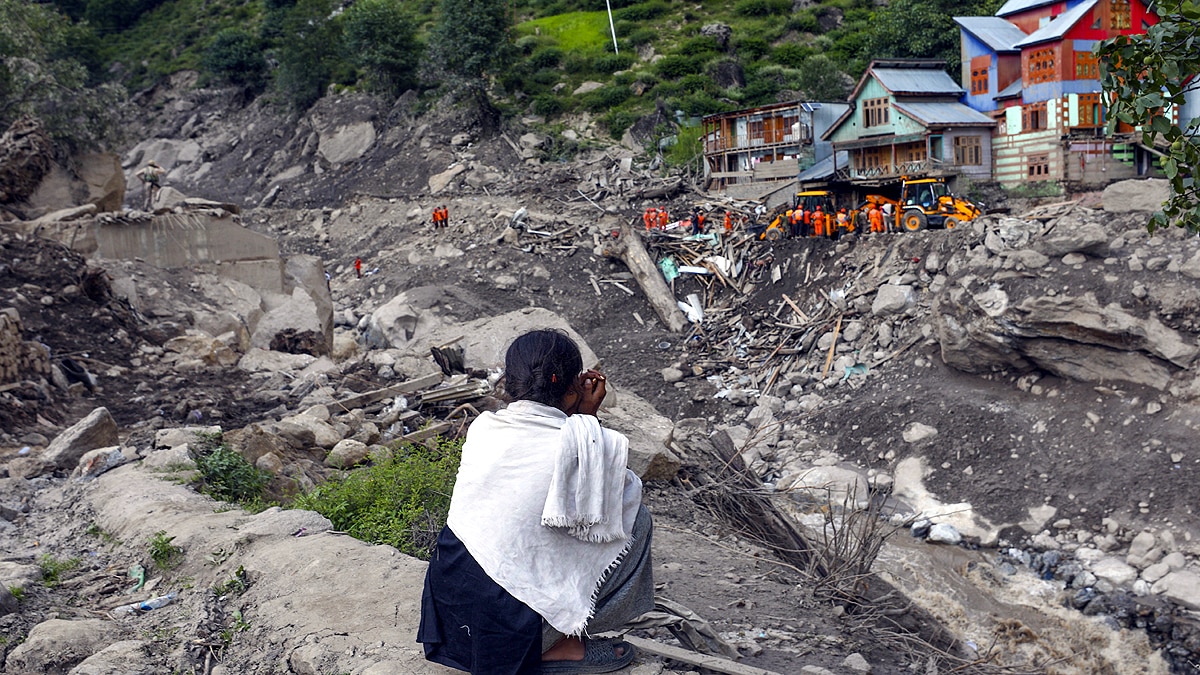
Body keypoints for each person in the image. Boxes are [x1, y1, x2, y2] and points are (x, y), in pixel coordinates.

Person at [419, 330, 653, 675]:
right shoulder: (584, 441)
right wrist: (588, 417)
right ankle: (554, 643)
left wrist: (580, 417)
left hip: (452, 618)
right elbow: (613, 496)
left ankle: (552, 638)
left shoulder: (484, 428)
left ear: (509, 383)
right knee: (636, 518)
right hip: (506, 634)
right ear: (572, 389)